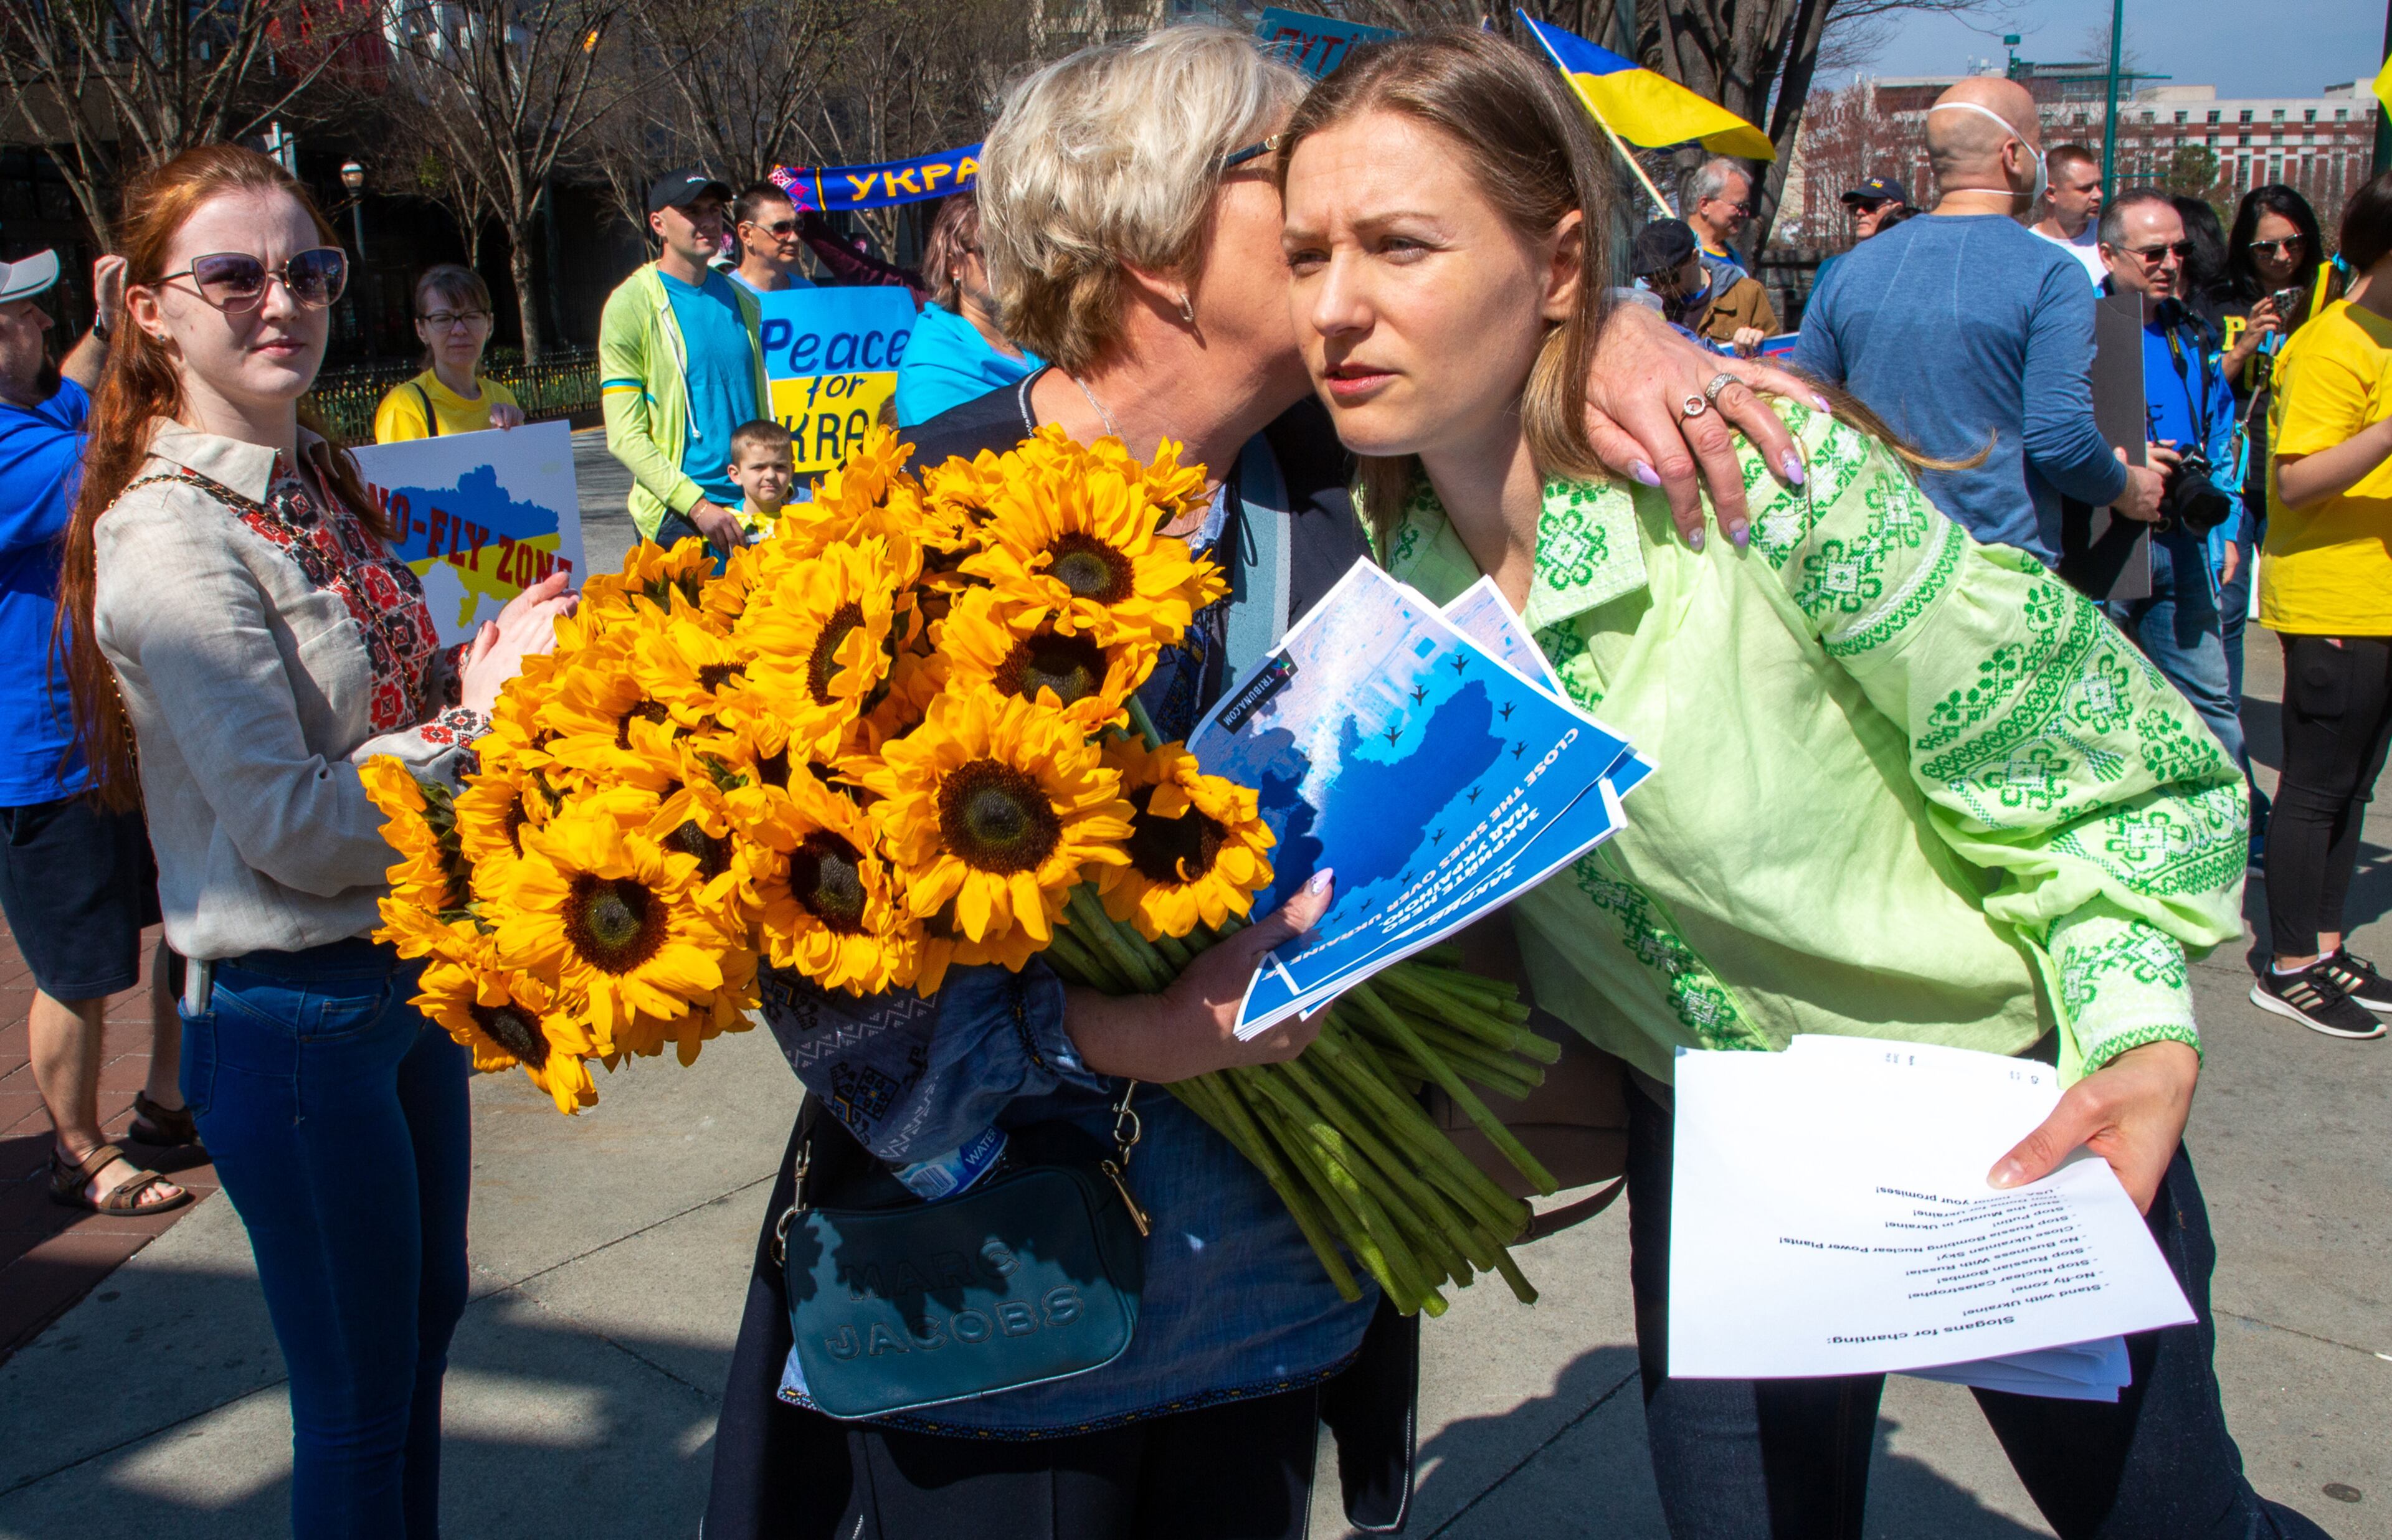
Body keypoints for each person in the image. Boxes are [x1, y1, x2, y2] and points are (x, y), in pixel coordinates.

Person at [701, 25, 1835, 1539]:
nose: (1328, 214)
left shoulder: (1342, 471)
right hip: (1009, 1322)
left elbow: (1514, 304)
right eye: (1278, 177)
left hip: (1281, 1313)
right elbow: (829, 989)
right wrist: (1131, 1033)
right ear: (1150, 234)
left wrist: (1619, 318)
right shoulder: (908, 525)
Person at [1279, 31, 2328, 1540]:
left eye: (1397, 245)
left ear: (1560, 262)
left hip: (2002, 1112)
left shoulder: (1758, 484)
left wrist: (2134, 1027)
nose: (1334, 307)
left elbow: (2092, 768)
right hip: (1713, 1149)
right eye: (1307, 253)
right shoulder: (1381, 582)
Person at [57, 143, 575, 1536]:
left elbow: (383, 714)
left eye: (310, 269)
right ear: (152, 307)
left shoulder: (309, 480)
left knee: (416, 1350)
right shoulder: (167, 539)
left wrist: (504, 654)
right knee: (354, 1406)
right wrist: (479, 723)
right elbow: (291, 823)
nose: (280, 300)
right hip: (292, 1020)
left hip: (403, 983)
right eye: (232, 274)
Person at [1, 246, 196, 1215]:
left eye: (34, 311)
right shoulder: (11, 447)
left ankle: (165, 1106)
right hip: (41, 758)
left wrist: (111, 324)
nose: (36, 322)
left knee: (194, 923)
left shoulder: (40, 402)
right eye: (14, 315)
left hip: (118, 733)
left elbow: (77, 387)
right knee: (77, 971)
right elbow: (112, 456)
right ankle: (77, 1150)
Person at [1792, 77, 2164, 565]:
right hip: (1995, 575)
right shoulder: (2050, 273)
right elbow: (2061, 440)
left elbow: (1804, 412)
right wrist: (2128, 487)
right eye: (2039, 145)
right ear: (2014, 155)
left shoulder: (1846, 270)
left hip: (1873, 565)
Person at [2249, 170, 2392, 1041]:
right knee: (2315, 785)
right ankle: (2289, 961)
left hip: (2378, 597)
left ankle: (2327, 942)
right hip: (2334, 595)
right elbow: (2298, 481)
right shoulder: (2334, 343)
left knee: (2355, 787)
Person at [2095, 190, 2247, 772]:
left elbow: (2222, 434)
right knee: (2101, 701)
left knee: (2211, 702)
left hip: (2184, 537)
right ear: (2109, 255)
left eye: (2179, 250)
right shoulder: (2077, 327)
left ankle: (2229, 825)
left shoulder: (2195, 332)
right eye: (2153, 252)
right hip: (2107, 540)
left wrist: (2227, 527)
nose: (2170, 264)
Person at [599, 169, 773, 557]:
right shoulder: (631, 304)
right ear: (658, 224)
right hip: (682, 517)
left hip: (752, 507)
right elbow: (625, 436)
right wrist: (697, 505)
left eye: (713, 209)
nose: (708, 220)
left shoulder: (744, 301)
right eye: (692, 210)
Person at [892, 190, 1042, 425]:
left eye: (1014, 248)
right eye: (990, 251)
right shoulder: (933, 362)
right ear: (954, 266)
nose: (1007, 261)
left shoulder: (1041, 336)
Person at [370, 264, 526, 442]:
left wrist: (507, 440)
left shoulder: (502, 398)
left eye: (472, 316)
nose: (459, 330)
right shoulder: (405, 407)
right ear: (421, 330)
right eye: (443, 319)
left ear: (489, 324)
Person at [1676, 156, 1779, 346]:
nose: (1745, 214)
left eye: (1747, 207)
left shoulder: (1735, 259)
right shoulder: (1674, 256)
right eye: (1739, 207)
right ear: (1705, 204)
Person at [2029, 143, 2107, 285]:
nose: (2098, 195)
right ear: (2051, 193)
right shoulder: (2027, 248)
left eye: (2098, 185)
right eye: (2086, 188)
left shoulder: (2109, 239)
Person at [729, 181, 817, 296]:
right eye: (781, 228)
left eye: (798, 226)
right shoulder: (724, 297)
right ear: (746, 234)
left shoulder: (809, 294)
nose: (794, 238)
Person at [723, 417, 796, 525]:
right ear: (736, 474)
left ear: (792, 471)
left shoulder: (801, 524)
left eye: (780, 467)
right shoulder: (725, 526)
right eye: (759, 467)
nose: (771, 476)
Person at [1841, 175, 1910, 242]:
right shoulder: (1855, 253)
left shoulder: (1912, 251)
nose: (1859, 212)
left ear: (1897, 209)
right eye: (1855, 207)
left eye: (1869, 206)